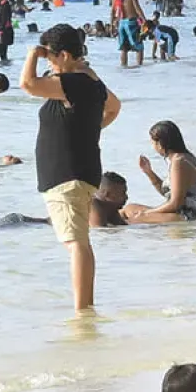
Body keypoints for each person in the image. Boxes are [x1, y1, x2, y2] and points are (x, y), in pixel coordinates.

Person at [21, 25, 121, 312]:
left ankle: (82, 309)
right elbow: (113, 107)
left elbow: (27, 84)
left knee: (76, 243)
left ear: (64, 55)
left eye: (50, 59)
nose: (48, 65)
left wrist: (31, 54)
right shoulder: (91, 82)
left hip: (65, 174)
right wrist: (89, 129)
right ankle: (85, 305)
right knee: (78, 241)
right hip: (80, 170)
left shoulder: (73, 83)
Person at [123, 120, 196, 222]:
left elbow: (176, 203)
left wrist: (147, 213)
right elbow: (168, 194)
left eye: (153, 143)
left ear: (160, 144)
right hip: (180, 213)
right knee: (129, 209)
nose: (153, 147)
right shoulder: (182, 158)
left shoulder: (179, 162)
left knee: (134, 219)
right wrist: (149, 172)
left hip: (189, 217)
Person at [116, 0, 146, 68]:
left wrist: (114, 22)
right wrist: (144, 20)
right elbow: (137, 8)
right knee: (139, 46)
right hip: (131, 22)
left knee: (124, 48)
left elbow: (114, 9)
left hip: (121, 22)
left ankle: (124, 67)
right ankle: (139, 69)